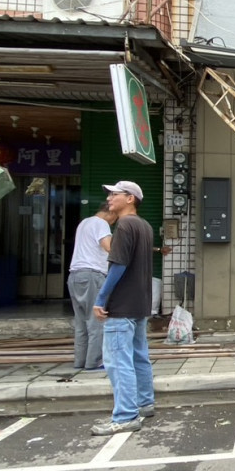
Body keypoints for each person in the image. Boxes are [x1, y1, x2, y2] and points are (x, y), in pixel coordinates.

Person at [90, 181, 156, 436]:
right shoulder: (144, 225)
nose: (109, 198)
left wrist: (101, 298)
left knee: (118, 361)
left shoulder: (126, 225)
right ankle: (144, 402)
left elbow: (118, 264)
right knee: (139, 355)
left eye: (114, 194)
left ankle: (126, 415)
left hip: (122, 305)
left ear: (130, 198)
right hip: (139, 303)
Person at [67, 206, 116, 372]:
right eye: (114, 218)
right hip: (92, 275)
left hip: (74, 276)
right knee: (97, 320)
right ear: (110, 212)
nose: (113, 222)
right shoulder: (101, 223)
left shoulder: (84, 223)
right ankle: (95, 362)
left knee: (81, 322)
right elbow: (108, 247)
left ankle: (80, 361)